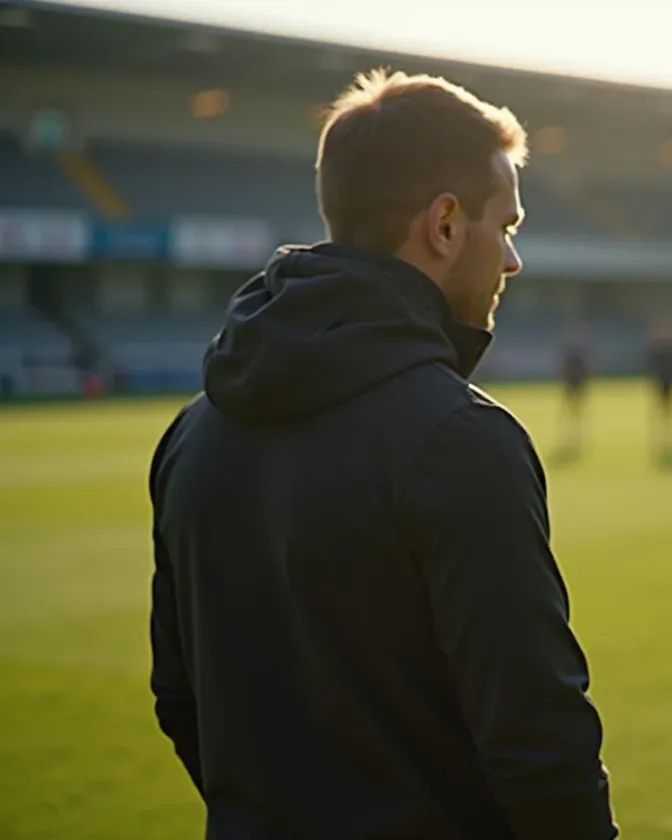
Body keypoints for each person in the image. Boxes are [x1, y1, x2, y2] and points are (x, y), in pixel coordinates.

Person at [147, 69, 618, 840]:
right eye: (507, 227)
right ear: (444, 225)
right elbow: (540, 747)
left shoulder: (192, 434)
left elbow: (180, 700)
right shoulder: (462, 442)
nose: (512, 261)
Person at [646, 315, 672, 466]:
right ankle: (661, 443)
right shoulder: (657, 352)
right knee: (660, 415)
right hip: (661, 385)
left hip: (671, 384)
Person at [556, 321, 592, 461]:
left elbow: (587, 369)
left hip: (578, 384)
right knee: (569, 412)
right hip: (570, 385)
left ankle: (577, 437)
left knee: (578, 413)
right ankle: (569, 437)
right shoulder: (569, 351)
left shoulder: (580, 352)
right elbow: (563, 368)